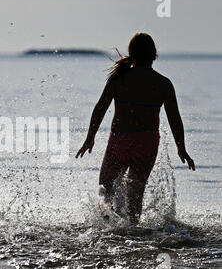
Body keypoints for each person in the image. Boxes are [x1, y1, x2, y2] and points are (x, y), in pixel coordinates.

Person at [75, 32, 195, 225]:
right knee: (135, 197)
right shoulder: (164, 84)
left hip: (120, 141)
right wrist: (181, 148)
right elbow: (175, 119)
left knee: (105, 191)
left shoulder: (118, 79)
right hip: (147, 144)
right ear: (154, 55)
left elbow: (100, 108)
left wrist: (90, 137)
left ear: (131, 54)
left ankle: (109, 230)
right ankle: (133, 232)